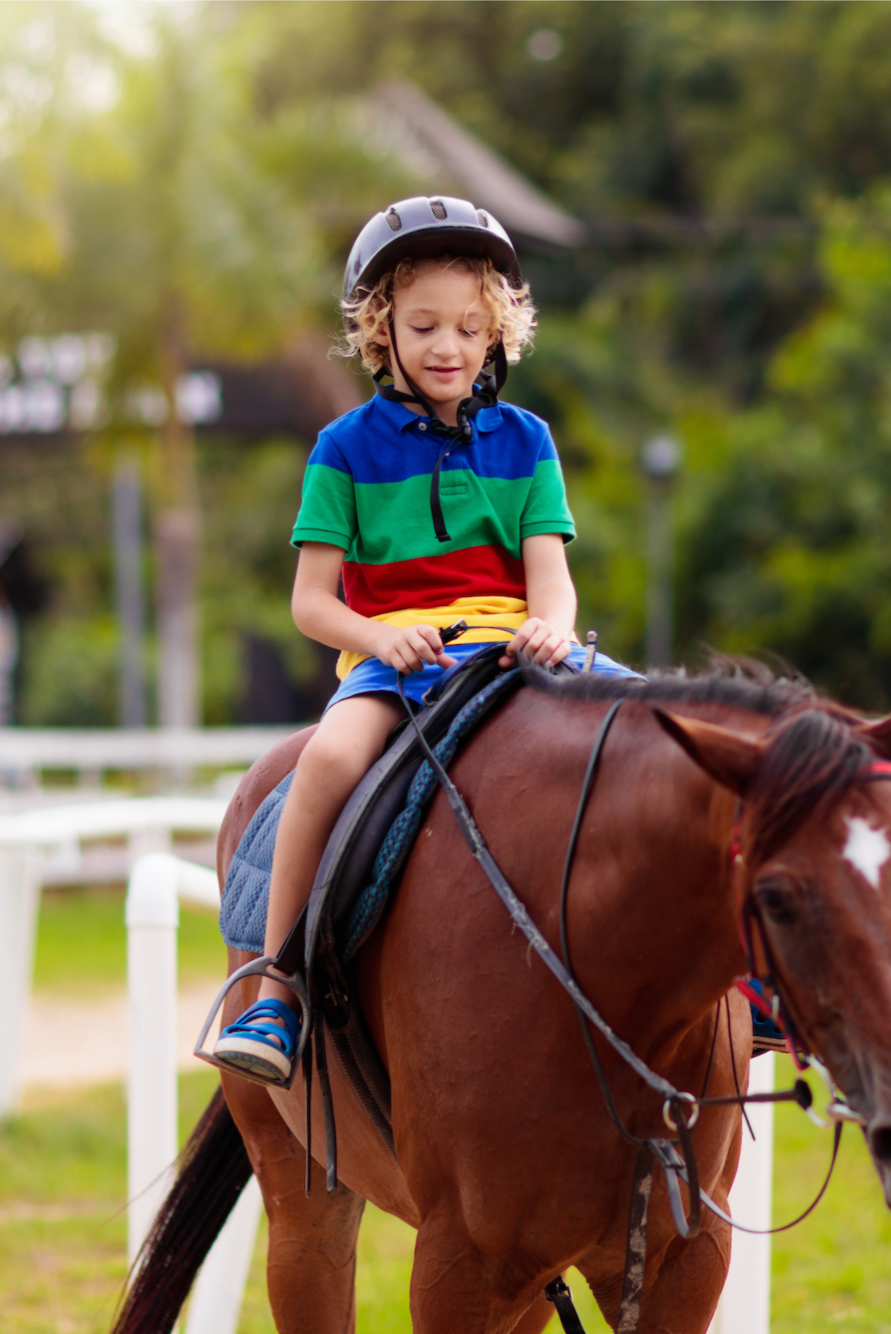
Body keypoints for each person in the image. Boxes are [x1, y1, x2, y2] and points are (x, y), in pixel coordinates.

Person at [209, 195, 639, 1086]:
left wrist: (550, 630)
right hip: (394, 664)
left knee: (662, 734)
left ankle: (739, 978)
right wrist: (381, 634)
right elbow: (310, 604)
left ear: (497, 337)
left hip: (518, 650)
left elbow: (549, 574)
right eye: (425, 325)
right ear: (383, 332)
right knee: (327, 762)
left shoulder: (529, 440)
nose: (449, 346)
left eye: (470, 328)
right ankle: (275, 991)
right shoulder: (343, 448)